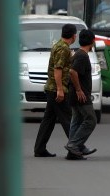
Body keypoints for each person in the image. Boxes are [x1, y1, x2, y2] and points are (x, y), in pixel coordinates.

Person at [34, 24, 77, 157]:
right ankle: (76, 147)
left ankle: (39, 148)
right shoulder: (63, 48)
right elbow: (57, 69)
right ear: (74, 36)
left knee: (48, 120)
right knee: (68, 119)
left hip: (52, 88)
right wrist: (60, 90)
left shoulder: (58, 45)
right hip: (56, 89)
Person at [65, 29, 97, 160]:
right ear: (93, 41)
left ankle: (74, 151)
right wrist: (79, 90)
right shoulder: (82, 55)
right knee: (91, 120)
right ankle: (74, 145)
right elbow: (73, 72)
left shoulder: (79, 54)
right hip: (80, 95)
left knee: (77, 121)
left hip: (75, 94)